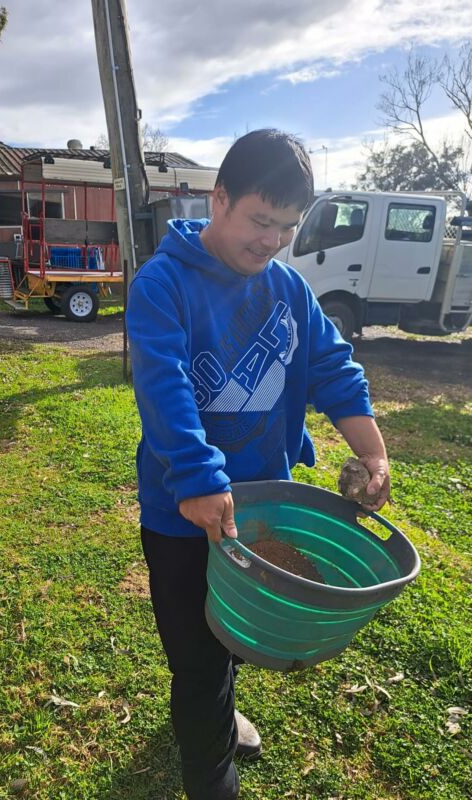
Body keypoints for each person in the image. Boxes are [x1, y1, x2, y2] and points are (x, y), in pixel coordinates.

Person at [125, 129, 390, 800]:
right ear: (219, 199)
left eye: (287, 227)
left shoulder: (289, 292)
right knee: (196, 655)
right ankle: (211, 776)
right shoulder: (163, 285)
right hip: (183, 516)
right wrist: (198, 479)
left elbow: (334, 371)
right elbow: (166, 389)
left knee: (234, 630)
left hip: (260, 513)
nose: (271, 240)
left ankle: (219, 708)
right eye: (259, 220)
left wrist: (372, 450)